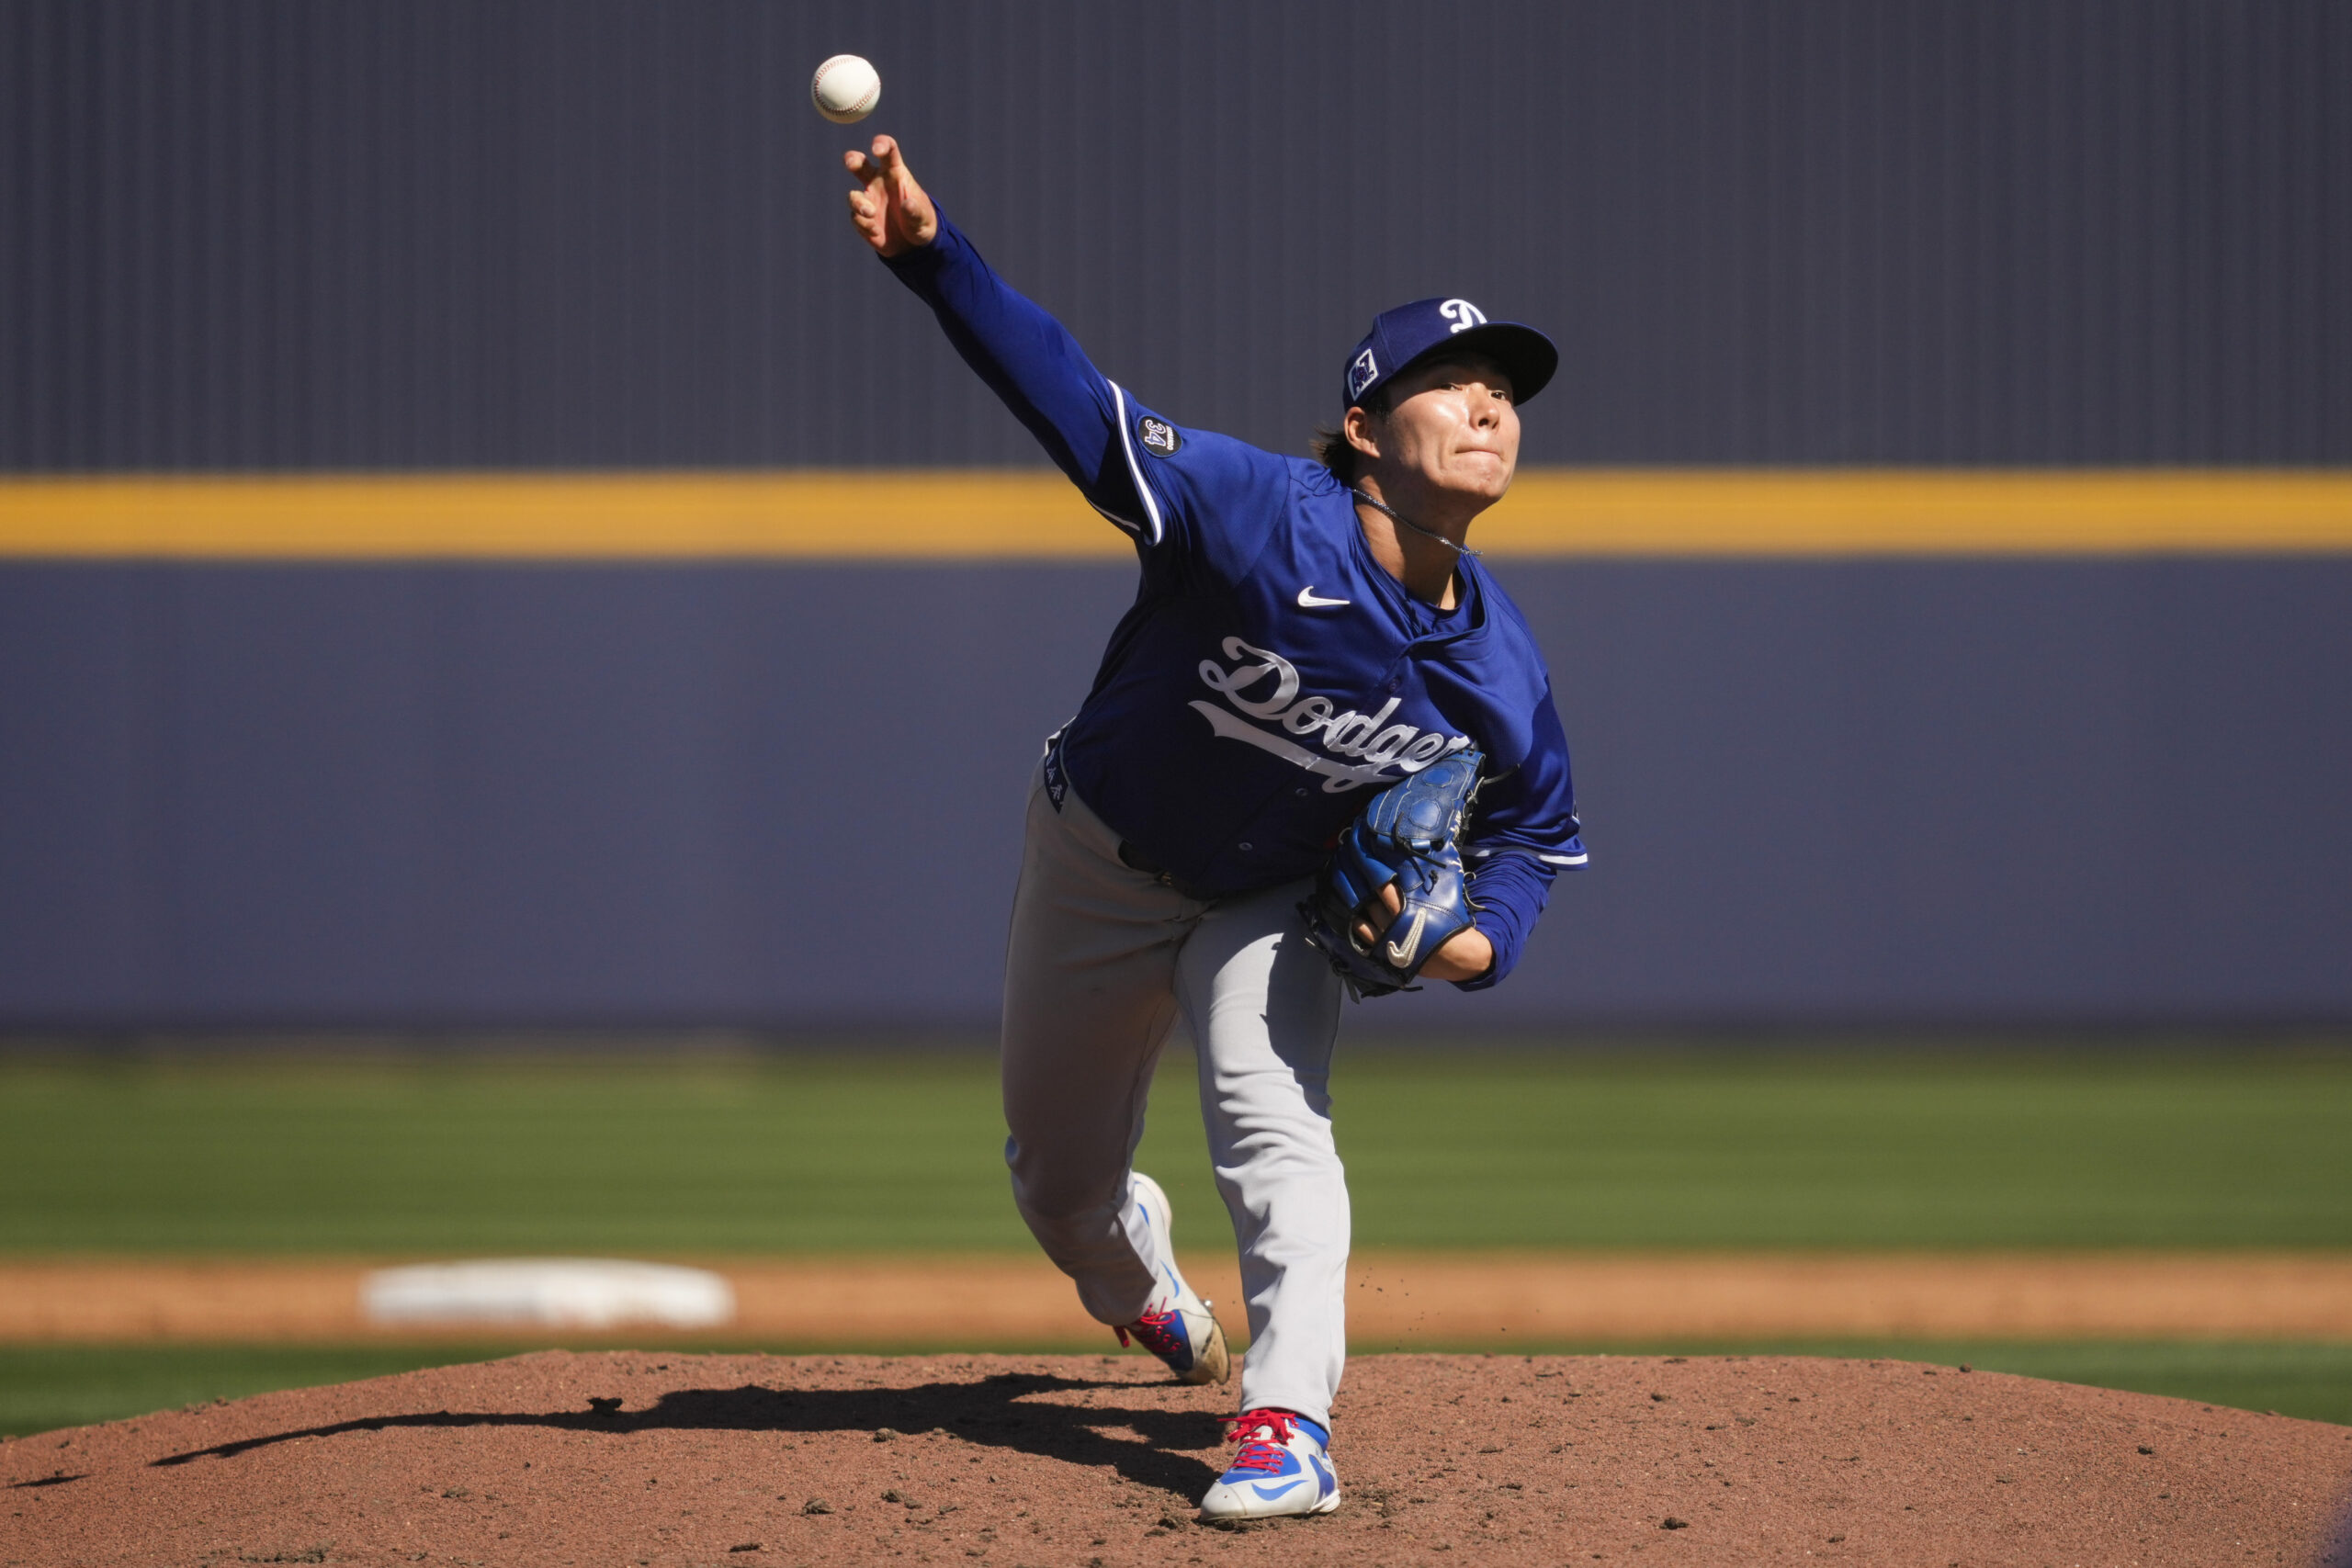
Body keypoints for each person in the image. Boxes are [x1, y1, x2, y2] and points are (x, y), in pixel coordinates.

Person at [844, 135, 1585, 1520]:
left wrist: (1474, 950)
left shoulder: (1503, 673)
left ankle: (1286, 1423)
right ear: (1364, 427)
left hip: (1276, 898)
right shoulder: (1253, 514)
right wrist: (937, 261)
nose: (1488, 405)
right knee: (1059, 1190)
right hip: (1099, 855)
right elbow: (1075, 401)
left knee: (1273, 1122)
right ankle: (1141, 1282)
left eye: (1504, 390)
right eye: (1448, 384)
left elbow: (1533, 841)